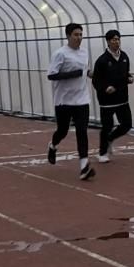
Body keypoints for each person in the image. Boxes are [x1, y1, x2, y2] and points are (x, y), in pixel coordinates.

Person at [46, 23, 95, 181]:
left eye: (81, 34)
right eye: (76, 35)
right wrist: (74, 73)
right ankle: (53, 146)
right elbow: (51, 75)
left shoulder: (84, 52)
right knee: (63, 131)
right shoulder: (60, 54)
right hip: (64, 100)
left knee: (82, 131)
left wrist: (90, 73)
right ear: (68, 36)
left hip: (82, 99)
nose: (79, 38)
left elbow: (84, 70)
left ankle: (84, 166)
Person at [92, 30, 134, 163]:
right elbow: (96, 81)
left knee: (127, 124)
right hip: (107, 101)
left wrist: (129, 78)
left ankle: (110, 138)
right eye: (114, 39)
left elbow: (126, 74)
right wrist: (105, 88)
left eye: (118, 39)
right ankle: (102, 153)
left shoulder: (124, 56)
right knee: (107, 126)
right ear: (108, 42)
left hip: (122, 98)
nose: (116, 42)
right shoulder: (102, 60)